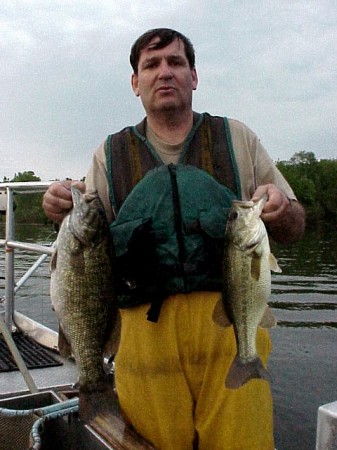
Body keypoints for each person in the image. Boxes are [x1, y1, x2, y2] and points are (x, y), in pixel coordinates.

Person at [43, 28, 305, 450]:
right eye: (151, 65)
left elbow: (295, 227)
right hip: (144, 340)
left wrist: (282, 208)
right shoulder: (107, 156)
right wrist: (57, 207)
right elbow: (83, 251)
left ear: (194, 76)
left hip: (230, 326)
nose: (164, 72)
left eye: (175, 62)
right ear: (135, 83)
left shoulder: (238, 138)